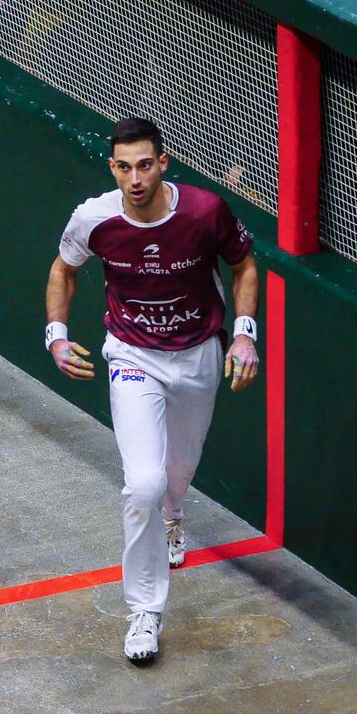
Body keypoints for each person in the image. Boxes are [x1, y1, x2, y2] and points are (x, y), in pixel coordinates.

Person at [44, 118, 259, 663]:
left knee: (176, 474)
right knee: (141, 483)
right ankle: (145, 612)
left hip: (197, 356)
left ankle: (173, 513)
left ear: (164, 163)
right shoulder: (94, 219)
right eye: (124, 167)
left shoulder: (205, 212)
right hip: (132, 355)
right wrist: (57, 336)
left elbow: (244, 267)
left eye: (145, 165)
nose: (135, 178)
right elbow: (63, 271)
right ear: (112, 168)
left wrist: (244, 336)